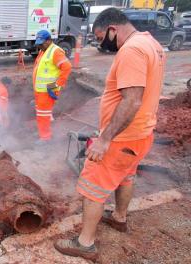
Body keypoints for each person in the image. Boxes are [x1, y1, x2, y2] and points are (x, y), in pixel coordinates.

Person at [54, 8, 166, 261]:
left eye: (101, 36)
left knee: (93, 186)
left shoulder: (132, 50)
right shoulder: (151, 44)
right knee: (126, 176)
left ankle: (85, 244)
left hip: (122, 137)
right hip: (140, 133)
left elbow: (132, 100)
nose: (100, 42)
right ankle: (119, 218)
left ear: (113, 29)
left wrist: (105, 139)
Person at [33, 30, 72, 142]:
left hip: (47, 90)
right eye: (39, 43)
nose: (40, 45)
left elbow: (67, 67)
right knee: (42, 114)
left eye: (42, 43)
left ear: (49, 40)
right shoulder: (44, 50)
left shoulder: (55, 51)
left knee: (43, 114)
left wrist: (56, 85)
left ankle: (45, 138)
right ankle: (43, 131)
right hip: (40, 90)